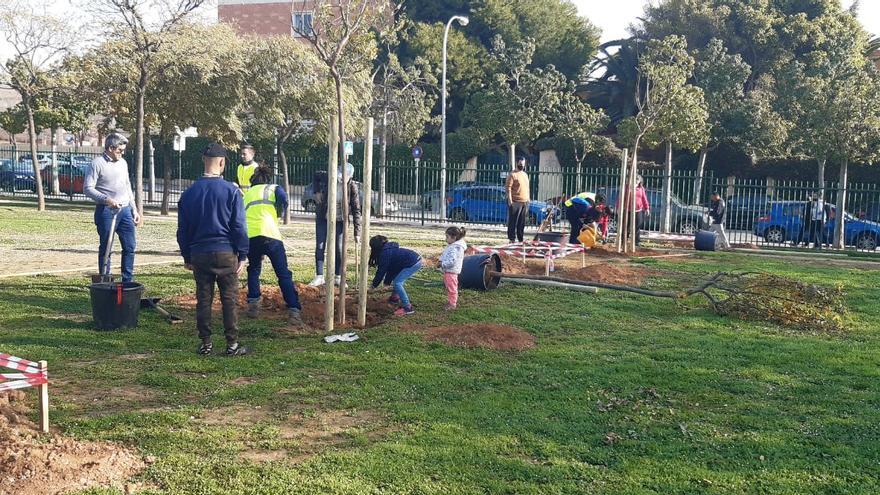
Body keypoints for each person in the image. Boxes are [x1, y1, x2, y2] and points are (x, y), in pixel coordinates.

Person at [177, 143, 250, 357]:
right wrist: (243, 255)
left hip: (200, 252)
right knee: (229, 298)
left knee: (203, 298)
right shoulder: (231, 191)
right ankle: (232, 344)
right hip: (226, 252)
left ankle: (206, 343)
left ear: (203, 161)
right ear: (222, 162)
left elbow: (183, 230)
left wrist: (187, 255)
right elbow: (238, 227)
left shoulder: (189, 193)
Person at [243, 165, 304, 326]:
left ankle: (253, 305)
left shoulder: (248, 193)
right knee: (283, 273)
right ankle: (293, 310)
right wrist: (278, 212)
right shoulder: (274, 188)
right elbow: (284, 199)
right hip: (271, 235)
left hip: (251, 236)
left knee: (254, 269)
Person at [84, 133, 141, 282]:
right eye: (119, 150)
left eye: (123, 150)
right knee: (107, 247)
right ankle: (105, 279)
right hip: (106, 211)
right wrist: (106, 200)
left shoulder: (123, 163)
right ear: (110, 148)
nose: (122, 153)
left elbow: (127, 186)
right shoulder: (97, 164)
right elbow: (88, 188)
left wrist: (134, 209)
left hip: (125, 210)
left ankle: (127, 280)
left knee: (130, 246)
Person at [308, 163, 361, 287]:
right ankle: (319, 276)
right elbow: (316, 175)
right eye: (340, 176)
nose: (341, 179)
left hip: (340, 220)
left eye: (345, 177)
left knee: (339, 248)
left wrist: (357, 232)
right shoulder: (329, 177)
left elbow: (356, 209)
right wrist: (316, 192)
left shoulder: (352, 187)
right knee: (320, 246)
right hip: (323, 217)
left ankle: (338, 277)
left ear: (350, 177)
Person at [369, 235, 422, 316]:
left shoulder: (384, 254)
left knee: (397, 283)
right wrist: (386, 283)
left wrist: (373, 286)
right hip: (413, 260)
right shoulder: (388, 250)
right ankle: (394, 298)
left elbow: (381, 272)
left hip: (412, 263)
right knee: (396, 279)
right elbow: (391, 269)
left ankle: (407, 307)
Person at [439, 226, 467, 311]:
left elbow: (452, 261)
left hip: (451, 271)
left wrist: (442, 264)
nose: (445, 239)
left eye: (447, 237)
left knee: (452, 288)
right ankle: (451, 302)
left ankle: (452, 304)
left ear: (454, 237)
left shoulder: (455, 248)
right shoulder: (453, 246)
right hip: (449, 271)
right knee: (450, 287)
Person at [505, 157, 530, 243]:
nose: (521, 165)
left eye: (523, 164)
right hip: (515, 202)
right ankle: (512, 239)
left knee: (521, 223)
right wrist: (510, 201)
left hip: (525, 202)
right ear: (516, 163)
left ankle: (520, 239)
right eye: (520, 164)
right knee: (513, 222)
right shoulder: (512, 174)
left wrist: (528, 199)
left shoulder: (525, 175)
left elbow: (527, 188)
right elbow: (508, 188)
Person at [634, 176, 650, 246]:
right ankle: (623, 240)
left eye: (637, 179)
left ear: (640, 181)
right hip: (628, 210)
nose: (636, 181)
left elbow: (644, 198)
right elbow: (621, 197)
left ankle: (637, 242)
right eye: (635, 179)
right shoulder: (627, 187)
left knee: (637, 226)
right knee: (626, 226)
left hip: (638, 210)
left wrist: (647, 208)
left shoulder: (641, 189)